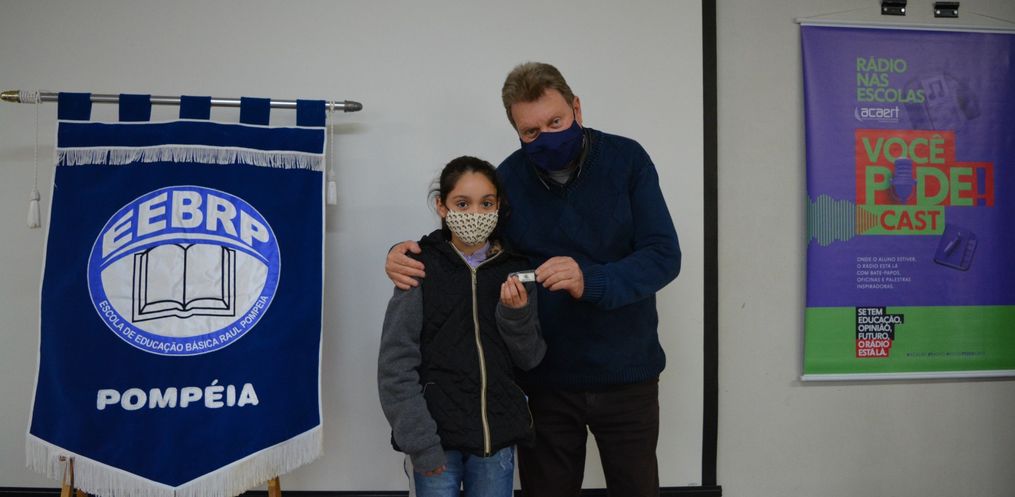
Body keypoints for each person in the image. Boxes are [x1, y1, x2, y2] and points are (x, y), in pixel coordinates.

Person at [385, 62, 681, 497]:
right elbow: (473, 244)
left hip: (627, 375)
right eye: (531, 131)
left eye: (555, 122)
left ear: (577, 108)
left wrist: (591, 280)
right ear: (517, 131)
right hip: (545, 382)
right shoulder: (508, 180)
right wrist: (404, 252)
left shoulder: (627, 160)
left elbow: (663, 256)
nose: (546, 137)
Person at [377, 155, 546, 497]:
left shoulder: (516, 270)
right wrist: (420, 442)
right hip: (435, 440)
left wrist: (515, 316)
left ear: (498, 206)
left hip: (495, 439)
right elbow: (395, 365)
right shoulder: (418, 267)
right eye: (463, 203)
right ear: (442, 206)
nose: (476, 214)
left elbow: (530, 358)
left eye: (487, 203)